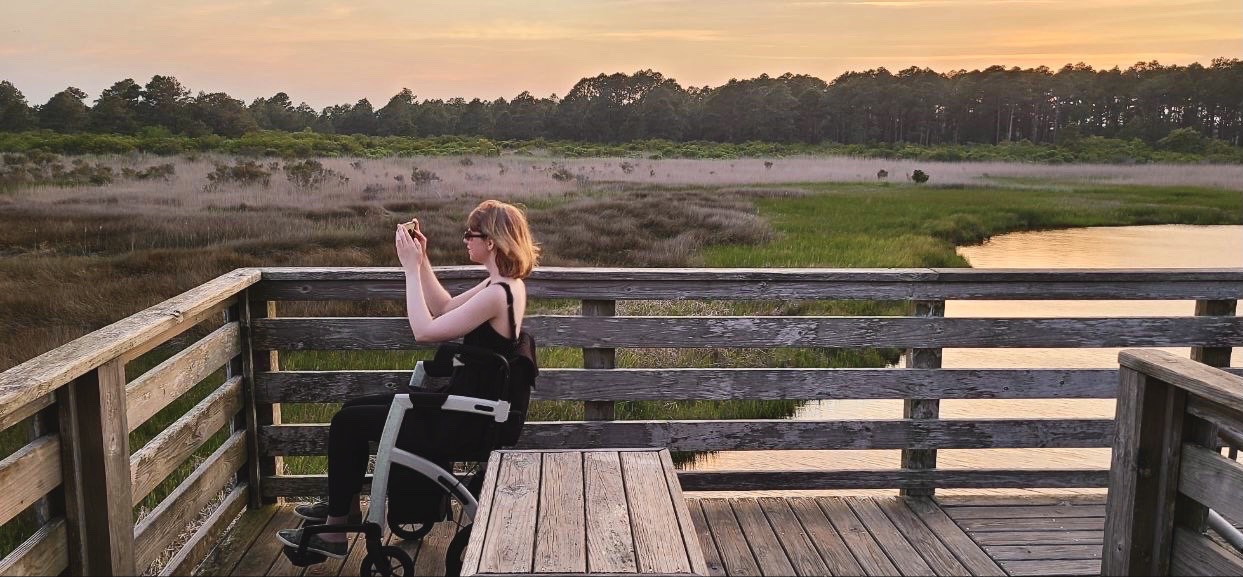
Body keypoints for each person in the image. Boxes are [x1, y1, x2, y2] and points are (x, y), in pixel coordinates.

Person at [277, 199, 539, 558]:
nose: (465, 240)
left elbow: (424, 330)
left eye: (470, 234)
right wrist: (423, 259)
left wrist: (410, 271)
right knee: (351, 410)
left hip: (461, 420)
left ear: (490, 241)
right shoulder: (503, 284)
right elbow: (445, 307)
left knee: (347, 422)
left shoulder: (497, 293)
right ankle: (343, 511)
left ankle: (336, 532)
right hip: (466, 409)